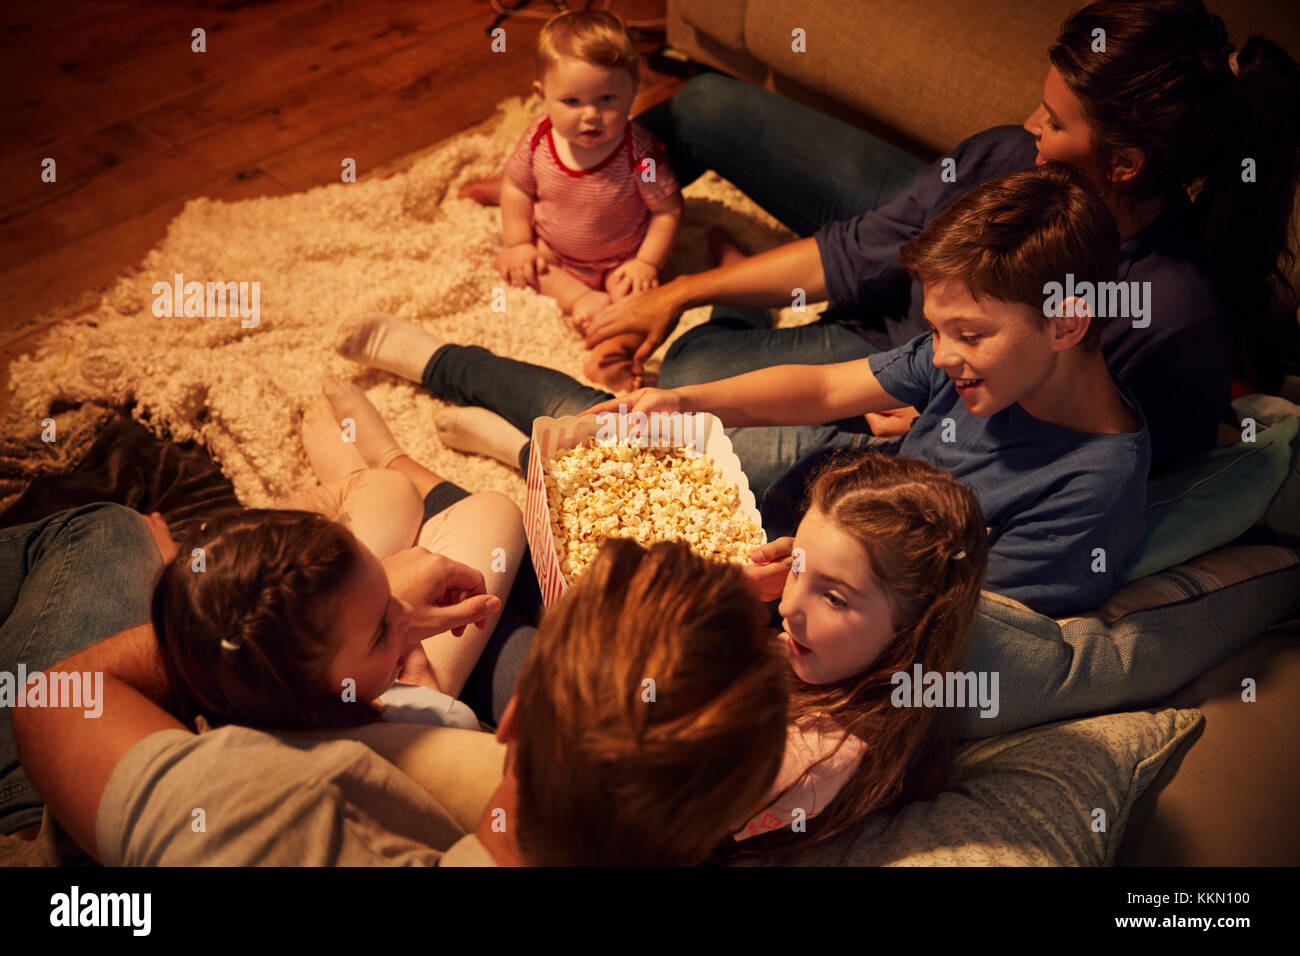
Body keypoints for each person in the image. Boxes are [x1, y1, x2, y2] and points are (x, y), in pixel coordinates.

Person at [570, 0, 1299, 475]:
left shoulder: (1169, 311)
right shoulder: (1010, 156)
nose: (1031, 126)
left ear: (1125, 162)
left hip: (908, 360)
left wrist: (936, 417)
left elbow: (1122, 466)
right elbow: (856, 253)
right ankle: (582, 202)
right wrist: (675, 289)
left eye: (1055, 120)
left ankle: (746, 305)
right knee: (707, 104)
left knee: (697, 369)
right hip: (927, 268)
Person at [11, 536, 790, 866]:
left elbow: (55, 699)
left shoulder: (270, 810)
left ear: (508, 723)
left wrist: (298, 618)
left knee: (97, 532)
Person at [586, 164, 1149, 618]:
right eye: (936, 330)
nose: (942, 354)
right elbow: (829, 386)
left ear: (1065, 324)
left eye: (970, 335)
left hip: (848, 588)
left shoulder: (1090, 491)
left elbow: (958, 629)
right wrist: (686, 403)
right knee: (612, 440)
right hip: (835, 509)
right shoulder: (968, 358)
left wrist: (820, 576)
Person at [727, 451, 988, 853]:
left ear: (913, 628)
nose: (786, 606)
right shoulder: (828, 660)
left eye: (834, 598)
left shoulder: (810, 756)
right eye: (795, 567)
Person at [490, 9, 683, 392]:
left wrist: (646, 262)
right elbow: (517, 190)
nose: (591, 115)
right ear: (542, 96)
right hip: (556, 254)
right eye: (572, 101)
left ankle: (611, 352)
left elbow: (667, 210)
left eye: (608, 99)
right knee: (519, 265)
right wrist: (519, 243)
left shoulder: (639, 155)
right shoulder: (537, 139)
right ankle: (579, 299)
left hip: (620, 262)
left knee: (636, 302)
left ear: (634, 89)